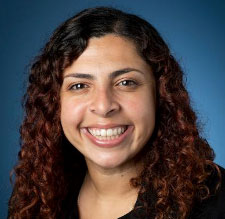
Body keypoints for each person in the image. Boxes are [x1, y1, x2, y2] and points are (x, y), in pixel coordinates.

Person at [8, 7, 225, 219]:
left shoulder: (216, 201)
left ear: (160, 95)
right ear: (54, 102)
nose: (103, 106)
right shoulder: (36, 199)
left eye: (126, 82)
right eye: (79, 86)